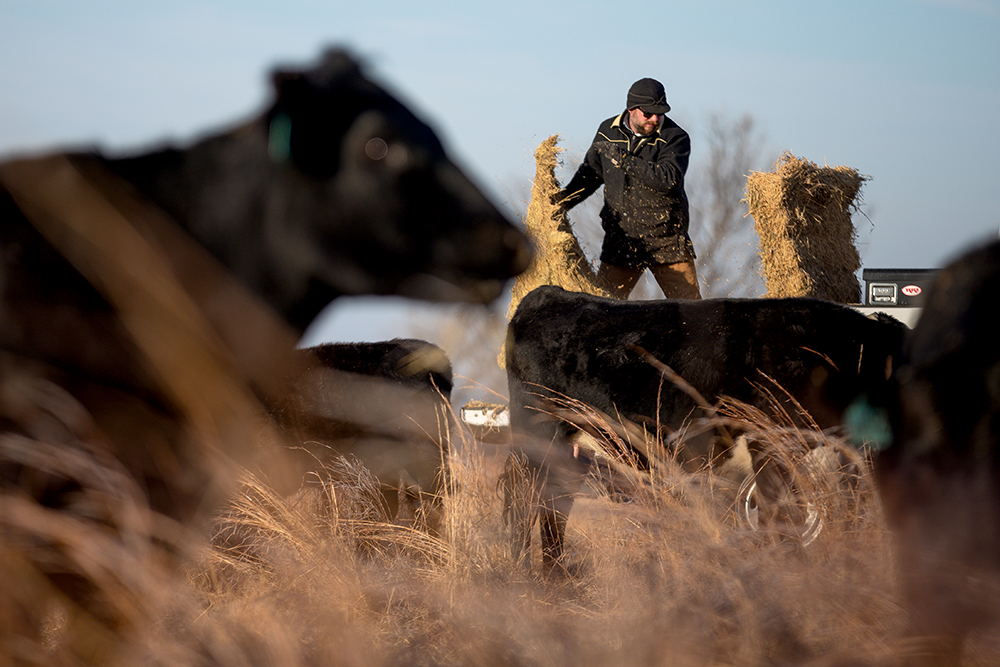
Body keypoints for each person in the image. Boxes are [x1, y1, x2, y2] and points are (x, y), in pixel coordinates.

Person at [553, 77, 701, 300]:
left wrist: (625, 160)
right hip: (621, 241)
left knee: (692, 314)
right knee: (603, 311)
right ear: (631, 109)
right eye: (648, 113)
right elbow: (591, 175)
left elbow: (667, 179)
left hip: (666, 242)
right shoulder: (606, 131)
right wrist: (561, 203)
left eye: (660, 113)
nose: (655, 118)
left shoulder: (676, 137)